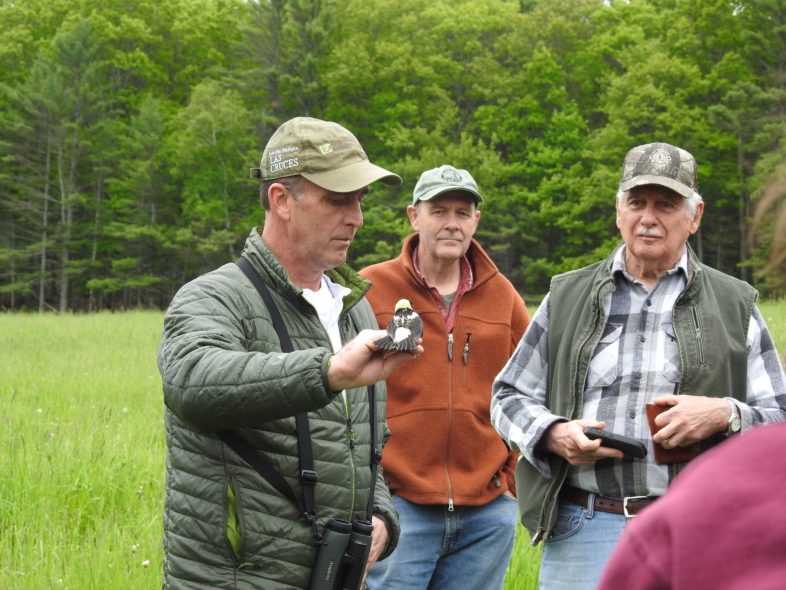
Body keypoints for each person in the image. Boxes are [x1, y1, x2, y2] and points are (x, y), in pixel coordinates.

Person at [490, 142, 786, 589]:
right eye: (637, 202)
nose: (649, 217)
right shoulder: (568, 295)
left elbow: (779, 416)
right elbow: (507, 395)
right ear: (618, 209)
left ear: (695, 215)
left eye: (666, 204)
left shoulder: (735, 303)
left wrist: (725, 413)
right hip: (582, 527)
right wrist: (554, 434)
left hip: (698, 531)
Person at [157, 116, 423, 589]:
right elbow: (192, 382)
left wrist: (381, 517)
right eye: (338, 200)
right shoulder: (213, 297)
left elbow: (363, 449)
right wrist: (327, 371)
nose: (357, 218)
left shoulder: (353, 312)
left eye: (359, 201)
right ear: (281, 200)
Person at [360, 164, 530, 590]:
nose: (451, 223)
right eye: (438, 211)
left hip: (486, 514)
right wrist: (374, 496)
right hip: (400, 509)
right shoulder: (370, 288)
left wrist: (508, 478)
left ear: (476, 220)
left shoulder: (503, 296)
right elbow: (343, 397)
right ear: (414, 216)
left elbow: (532, 387)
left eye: (462, 211)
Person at [598, 422, 786, 590]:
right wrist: (566, 428)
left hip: (702, 524)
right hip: (587, 517)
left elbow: (778, 414)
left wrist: (728, 413)